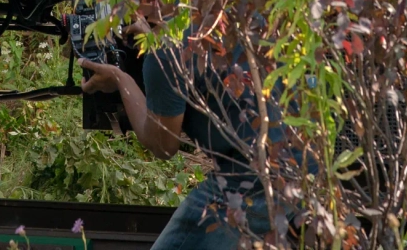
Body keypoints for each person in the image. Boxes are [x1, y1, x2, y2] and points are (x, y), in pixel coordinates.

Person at [82, 49, 270, 250]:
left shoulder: (164, 53)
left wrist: (120, 79)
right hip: (294, 165)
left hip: (246, 180)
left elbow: (162, 145)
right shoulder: (215, 24)